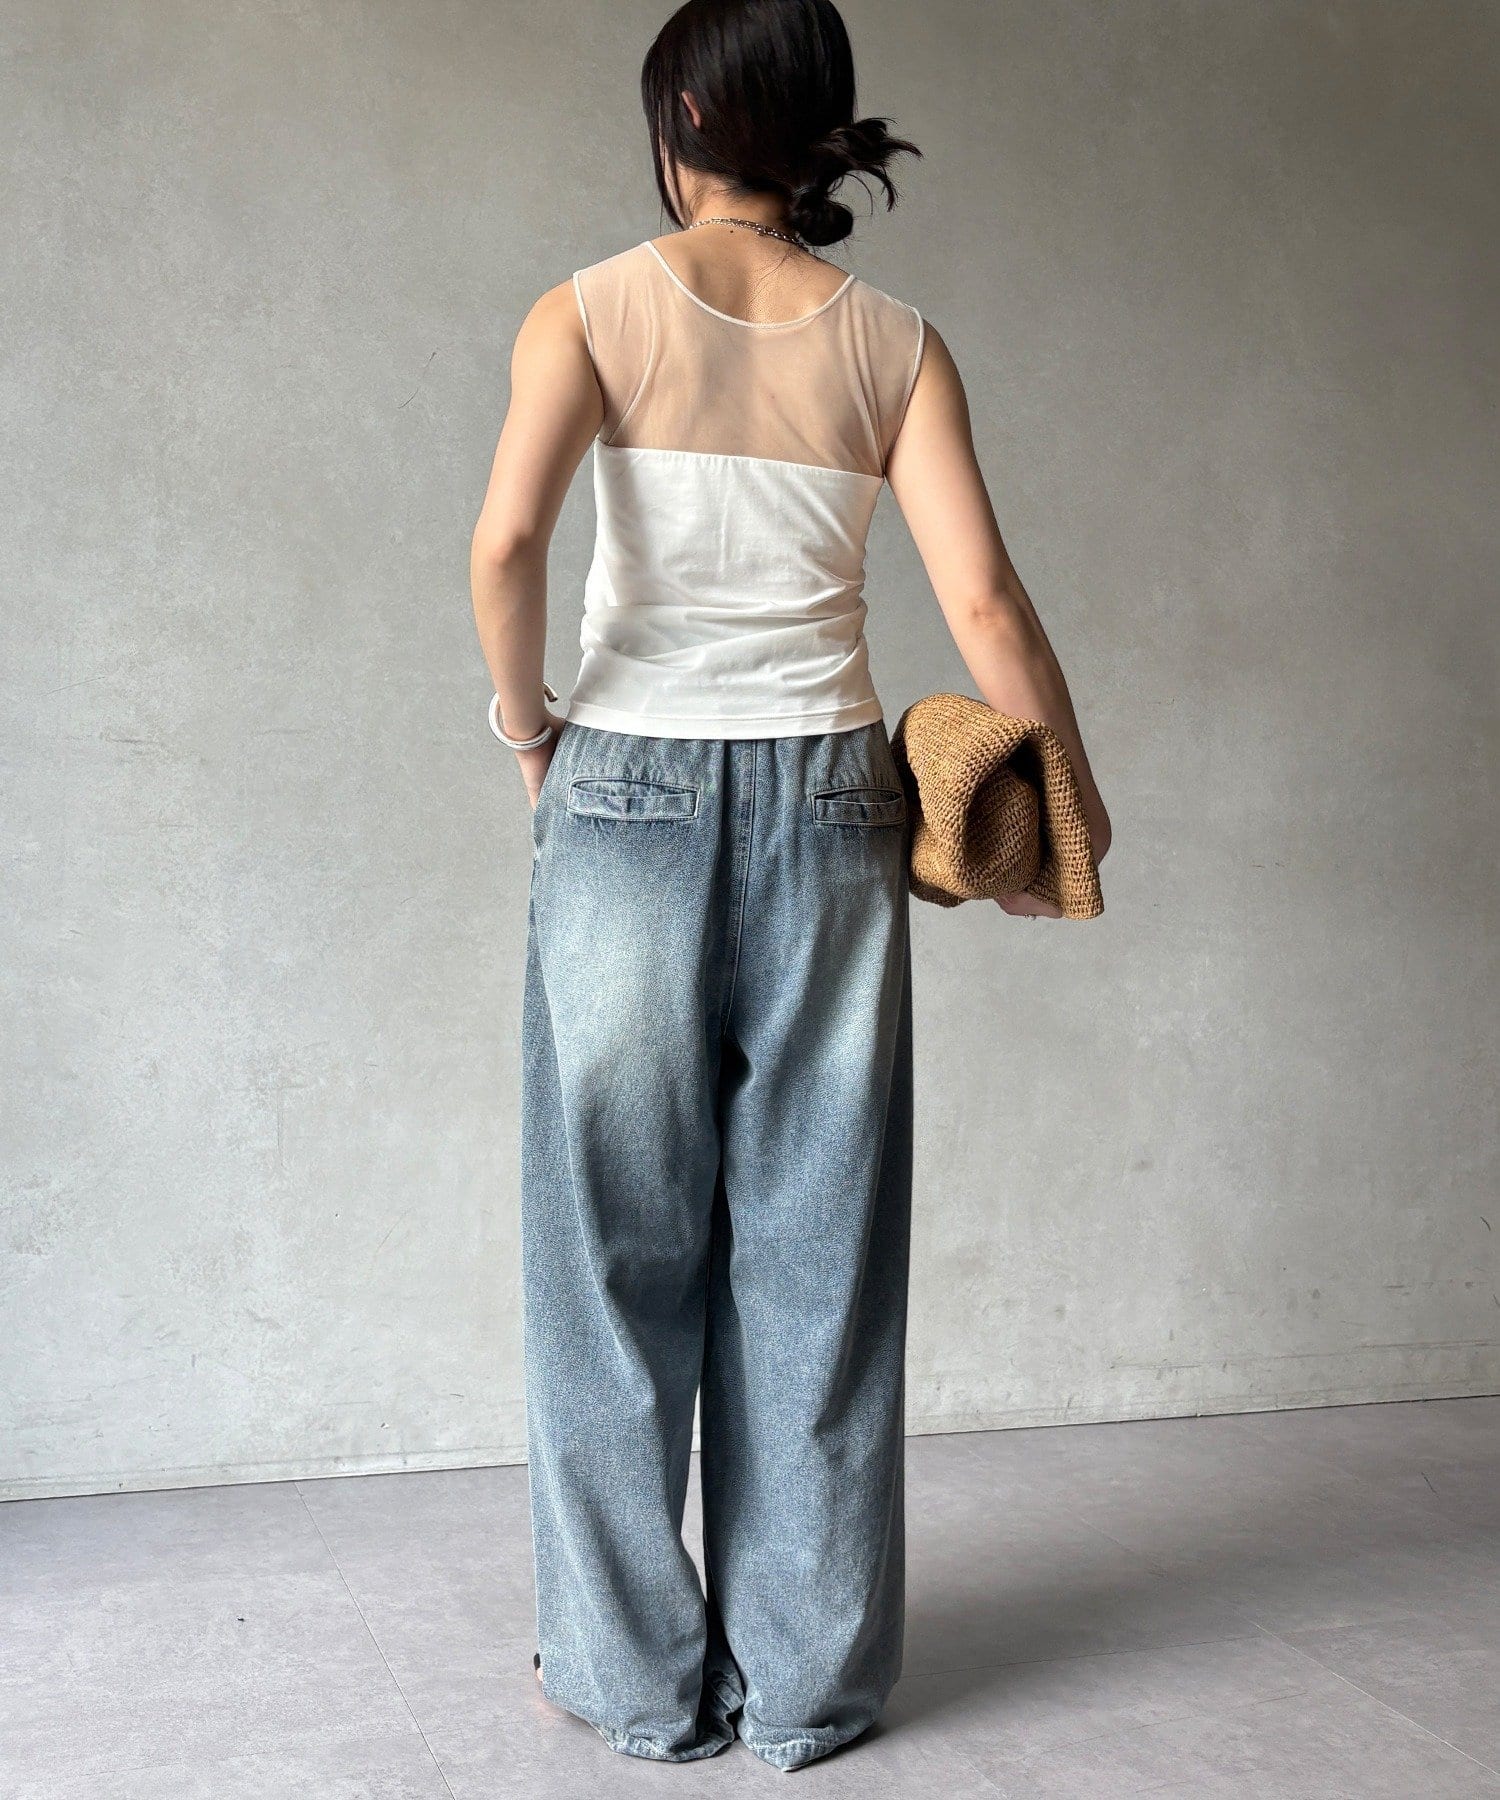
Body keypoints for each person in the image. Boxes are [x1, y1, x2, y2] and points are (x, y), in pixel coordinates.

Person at [468, 0, 1110, 1772]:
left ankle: (629, 1679)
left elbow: (508, 542)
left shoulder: (587, 310)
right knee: (818, 1254)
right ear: (818, 121)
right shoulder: (897, 344)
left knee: (608, 1254)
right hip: (831, 799)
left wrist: (526, 729)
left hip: (623, 793)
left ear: (681, 115)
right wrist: (1069, 797)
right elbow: (983, 604)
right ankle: (810, 1688)